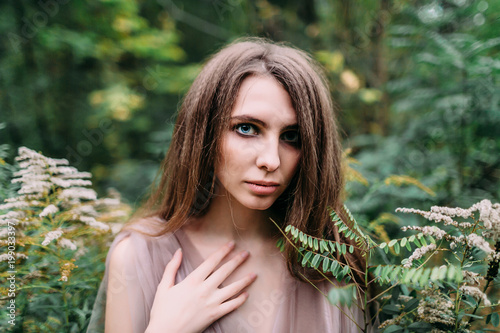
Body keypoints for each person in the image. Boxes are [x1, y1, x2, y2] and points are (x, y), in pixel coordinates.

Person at [87, 37, 367, 333]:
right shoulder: (137, 257)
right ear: (204, 133)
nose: (270, 160)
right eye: (247, 129)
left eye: (291, 137)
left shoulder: (335, 263)